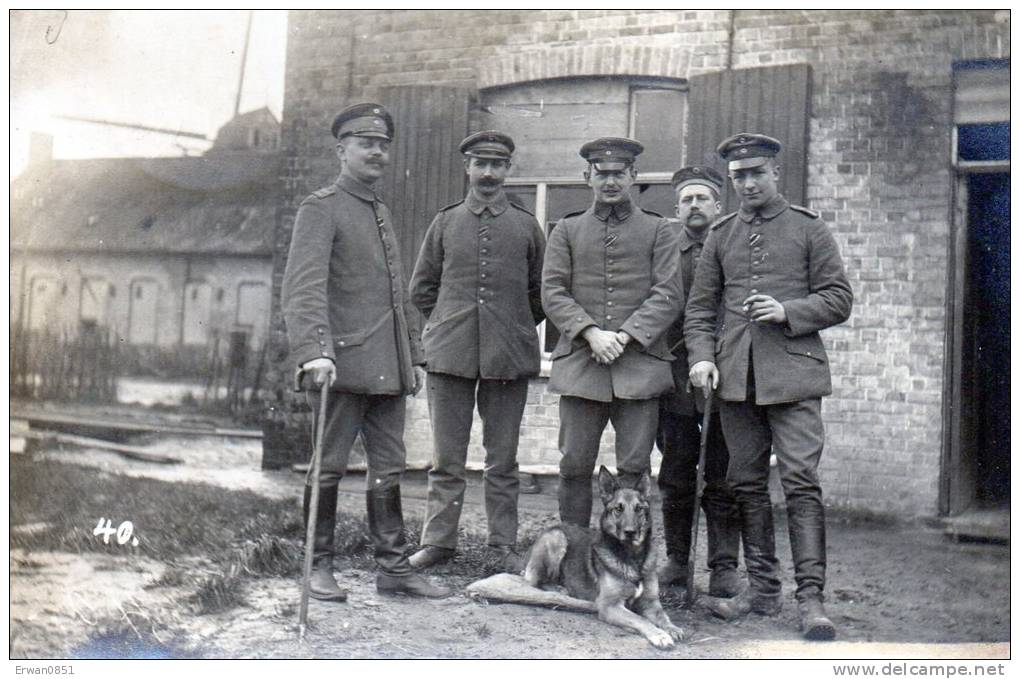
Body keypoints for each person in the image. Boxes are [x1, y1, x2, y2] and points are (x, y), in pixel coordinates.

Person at [684, 133, 853, 640]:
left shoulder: (808, 228)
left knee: (801, 482)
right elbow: (699, 309)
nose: (748, 183)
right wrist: (702, 359)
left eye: (757, 172)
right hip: (736, 380)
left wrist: (788, 312)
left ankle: (811, 600)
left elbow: (839, 298)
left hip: (794, 378)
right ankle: (761, 592)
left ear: (775, 172)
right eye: (739, 176)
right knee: (746, 484)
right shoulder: (722, 233)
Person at [281, 102, 451, 601]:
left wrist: (413, 355)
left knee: (389, 465)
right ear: (341, 151)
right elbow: (303, 288)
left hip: (388, 367)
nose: (376, 152)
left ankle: (394, 568)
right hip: (340, 366)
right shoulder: (322, 206)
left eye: (382, 144)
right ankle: (317, 566)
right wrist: (315, 351)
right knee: (329, 464)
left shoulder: (379, 211)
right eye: (365, 143)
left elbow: (396, 296)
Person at [407, 131, 546, 571]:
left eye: (497, 165)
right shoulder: (444, 223)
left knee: (502, 460)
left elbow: (542, 293)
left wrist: (512, 324)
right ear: (466, 167)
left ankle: (501, 545)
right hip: (450, 356)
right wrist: (451, 324)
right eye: (480, 163)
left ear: (508, 170)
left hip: (508, 356)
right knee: (446, 459)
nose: (488, 173)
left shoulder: (526, 226)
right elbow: (421, 289)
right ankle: (438, 543)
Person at [541, 137, 682, 527]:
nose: (610, 182)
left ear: (634, 176)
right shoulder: (566, 231)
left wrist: (624, 336)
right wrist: (590, 333)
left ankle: (629, 553)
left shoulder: (659, 231)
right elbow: (552, 291)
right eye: (601, 174)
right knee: (573, 464)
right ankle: (573, 550)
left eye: (619, 173)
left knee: (635, 467)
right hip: (581, 365)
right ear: (588, 177)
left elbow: (668, 294)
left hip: (639, 365)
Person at [656, 166, 741, 598]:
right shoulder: (664, 246)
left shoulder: (734, 243)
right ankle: (676, 560)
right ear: (677, 208)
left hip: (726, 378)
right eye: (687, 199)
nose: (694, 206)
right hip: (673, 378)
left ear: (718, 206)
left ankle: (724, 565)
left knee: (723, 473)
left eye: (702, 198)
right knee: (675, 471)